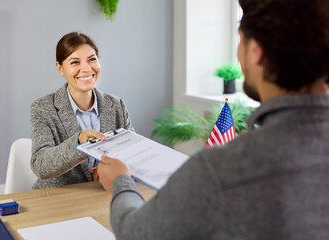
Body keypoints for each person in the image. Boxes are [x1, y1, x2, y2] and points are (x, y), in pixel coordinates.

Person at [94, 0, 329, 239]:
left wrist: (120, 182)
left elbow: (136, 233)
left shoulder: (221, 170)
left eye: (240, 39)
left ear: (257, 52)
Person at [30, 32, 134, 189]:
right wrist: (79, 143)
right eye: (75, 62)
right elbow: (41, 166)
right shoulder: (43, 107)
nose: (86, 68)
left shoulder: (117, 105)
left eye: (92, 59)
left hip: (102, 194)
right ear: (60, 68)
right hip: (57, 199)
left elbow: (131, 154)